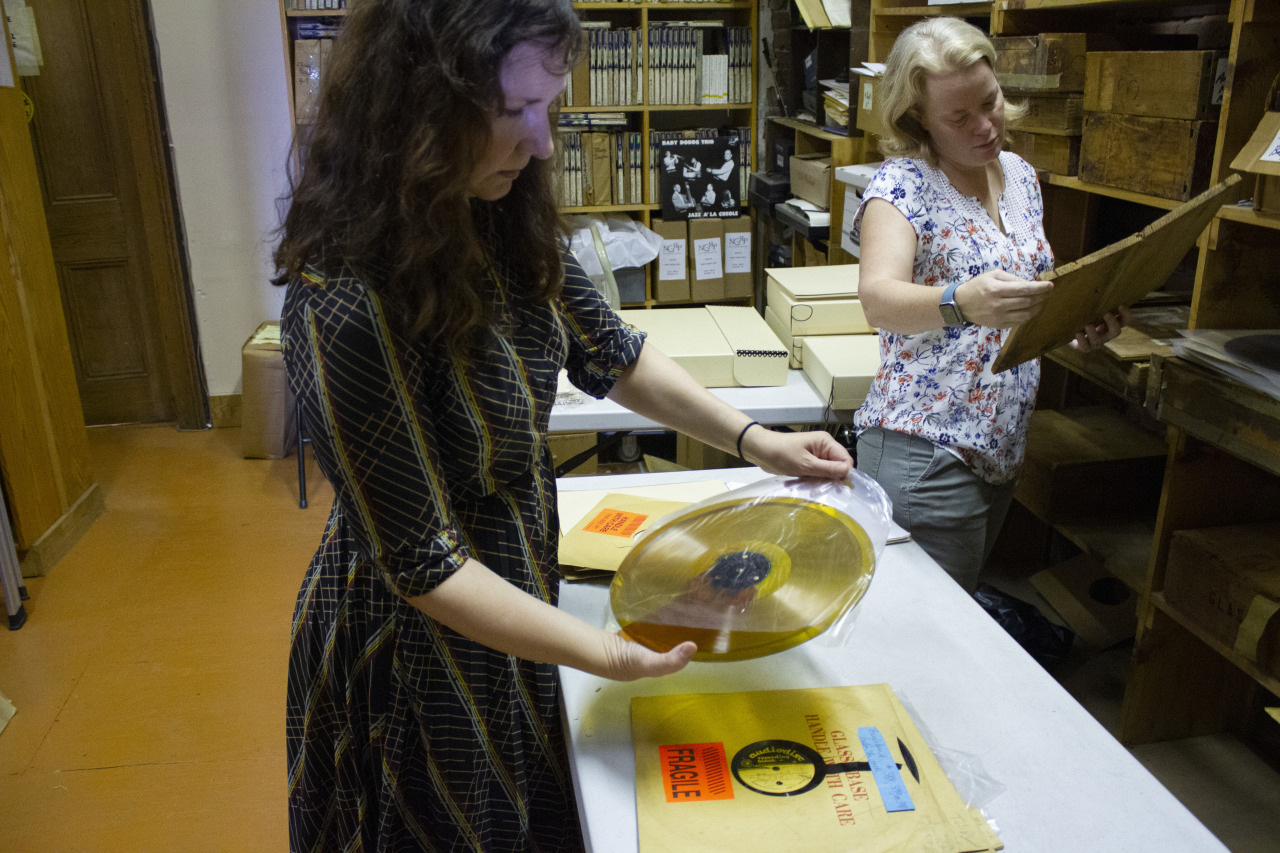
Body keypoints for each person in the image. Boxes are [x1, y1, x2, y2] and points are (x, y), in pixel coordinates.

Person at [271, 1, 853, 850]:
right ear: (418, 112)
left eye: (551, 108)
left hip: (513, 590)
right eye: (513, 112)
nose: (541, 143)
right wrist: (605, 653)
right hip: (417, 649)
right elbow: (424, 563)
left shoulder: (496, 211)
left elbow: (611, 350)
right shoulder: (344, 297)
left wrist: (754, 439)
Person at [849, 17, 1126, 592]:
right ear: (916, 117)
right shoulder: (901, 186)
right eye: (959, 116)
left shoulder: (1020, 178)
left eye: (990, 101)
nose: (985, 125)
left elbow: (1025, 301)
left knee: (953, 623)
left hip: (1000, 450)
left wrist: (1073, 323)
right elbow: (878, 299)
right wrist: (960, 302)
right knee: (922, 641)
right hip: (924, 454)